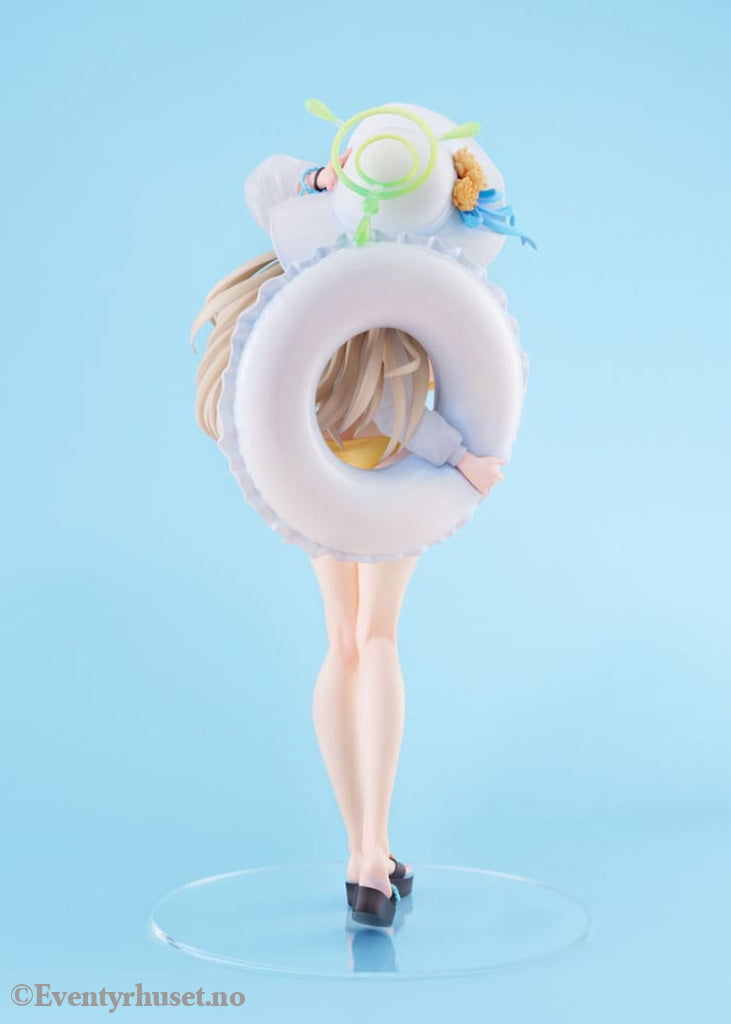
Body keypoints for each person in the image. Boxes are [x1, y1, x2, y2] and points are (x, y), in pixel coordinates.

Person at [192, 148, 505, 926]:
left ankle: (367, 850)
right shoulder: (366, 282)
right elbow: (390, 407)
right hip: (374, 469)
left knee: (343, 640)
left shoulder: (319, 280)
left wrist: (316, 183)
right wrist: (458, 456)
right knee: (377, 637)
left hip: (319, 470)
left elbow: (266, 184)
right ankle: (371, 851)